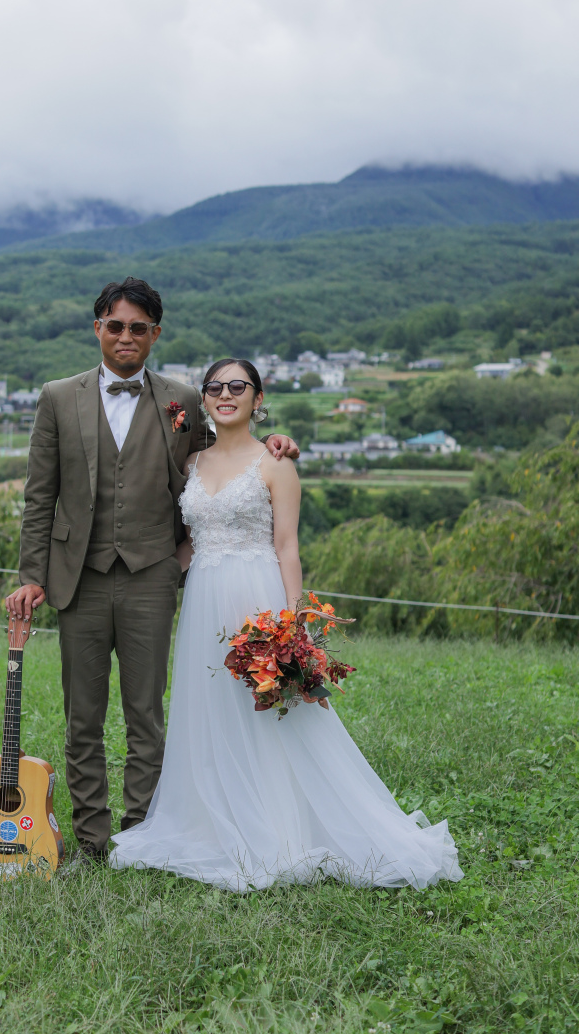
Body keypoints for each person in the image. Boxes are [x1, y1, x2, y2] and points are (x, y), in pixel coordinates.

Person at [110, 357, 463, 890]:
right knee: (209, 709)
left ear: (257, 397)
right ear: (203, 398)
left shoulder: (274, 463)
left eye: (237, 386)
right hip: (204, 597)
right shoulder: (191, 465)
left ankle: (281, 823)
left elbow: (286, 545)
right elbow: (187, 544)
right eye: (214, 387)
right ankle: (209, 820)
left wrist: (294, 619)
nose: (225, 394)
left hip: (258, 598)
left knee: (273, 713)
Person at [5, 279, 298, 865]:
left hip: (152, 575)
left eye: (139, 327)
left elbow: (226, 450)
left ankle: (141, 829)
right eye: (115, 325)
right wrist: (31, 574)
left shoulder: (183, 398)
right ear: (98, 330)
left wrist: (276, 441)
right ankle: (91, 837)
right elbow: (40, 497)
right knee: (81, 714)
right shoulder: (58, 397)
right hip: (77, 577)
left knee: (147, 711)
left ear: (155, 334)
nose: (126, 337)